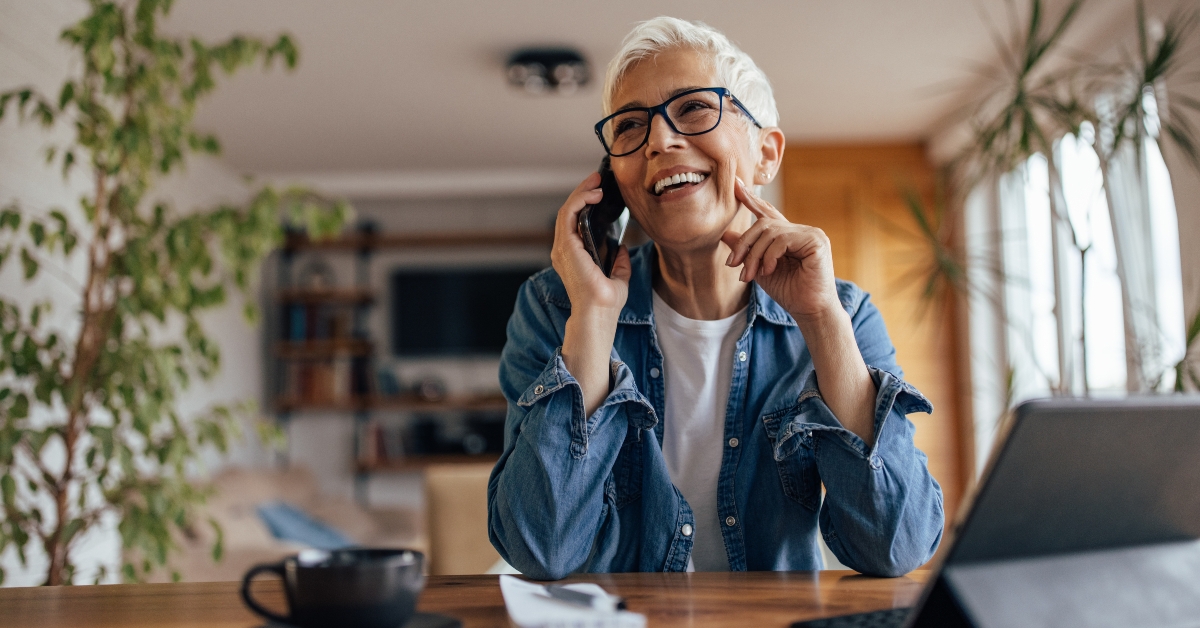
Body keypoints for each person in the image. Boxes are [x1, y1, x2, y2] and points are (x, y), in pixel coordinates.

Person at [487, 16, 943, 580]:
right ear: (615, 178)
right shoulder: (556, 309)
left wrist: (821, 319)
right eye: (630, 126)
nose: (659, 140)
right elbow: (540, 548)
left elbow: (895, 547)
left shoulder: (843, 313)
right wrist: (594, 318)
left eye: (695, 109)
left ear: (766, 154)